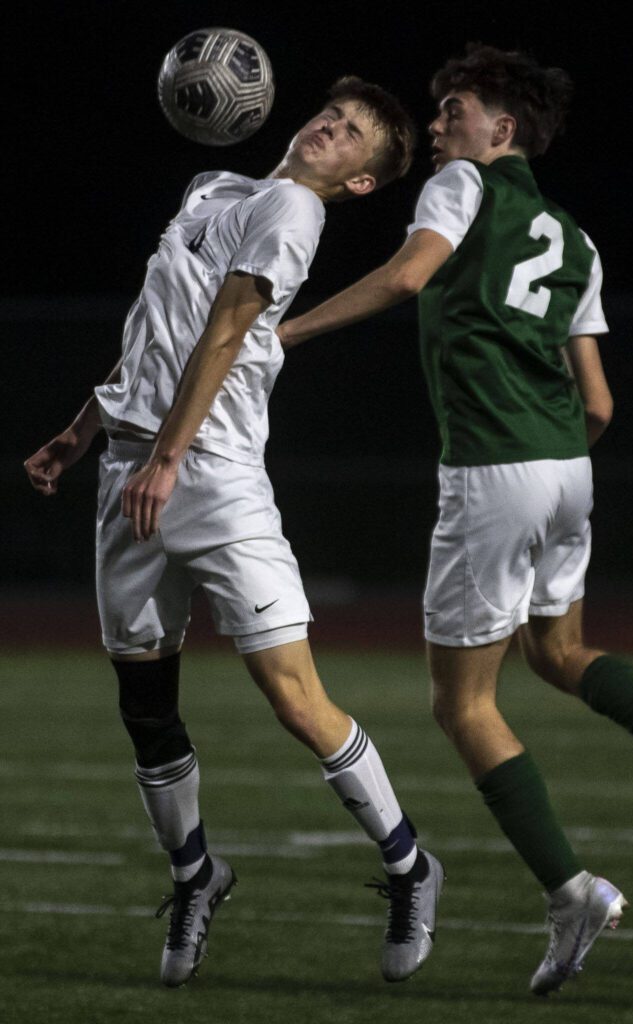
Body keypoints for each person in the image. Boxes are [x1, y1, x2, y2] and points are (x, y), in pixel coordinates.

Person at [277, 45, 633, 996]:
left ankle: (572, 889)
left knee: (461, 705)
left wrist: (283, 331)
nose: (441, 124)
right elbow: (602, 404)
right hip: (568, 469)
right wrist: (551, 461)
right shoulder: (577, 240)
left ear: (500, 130)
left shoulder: (461, 186)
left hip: (494, 470)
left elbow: (409, 278)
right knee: (557, 651)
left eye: (453, 109)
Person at [24, 77, 445, 989]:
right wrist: (83, 428)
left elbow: (225, 328)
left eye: (351, 136)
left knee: (294, 697)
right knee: (144, 705)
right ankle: (194, 877)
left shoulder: (294, 208)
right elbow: (154, 334)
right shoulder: (213, 190)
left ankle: (412, 865)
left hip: (208, 477)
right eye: (330, 116)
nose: (328, 128)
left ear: (362, 182)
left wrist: (169, 457)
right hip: (130, 469)